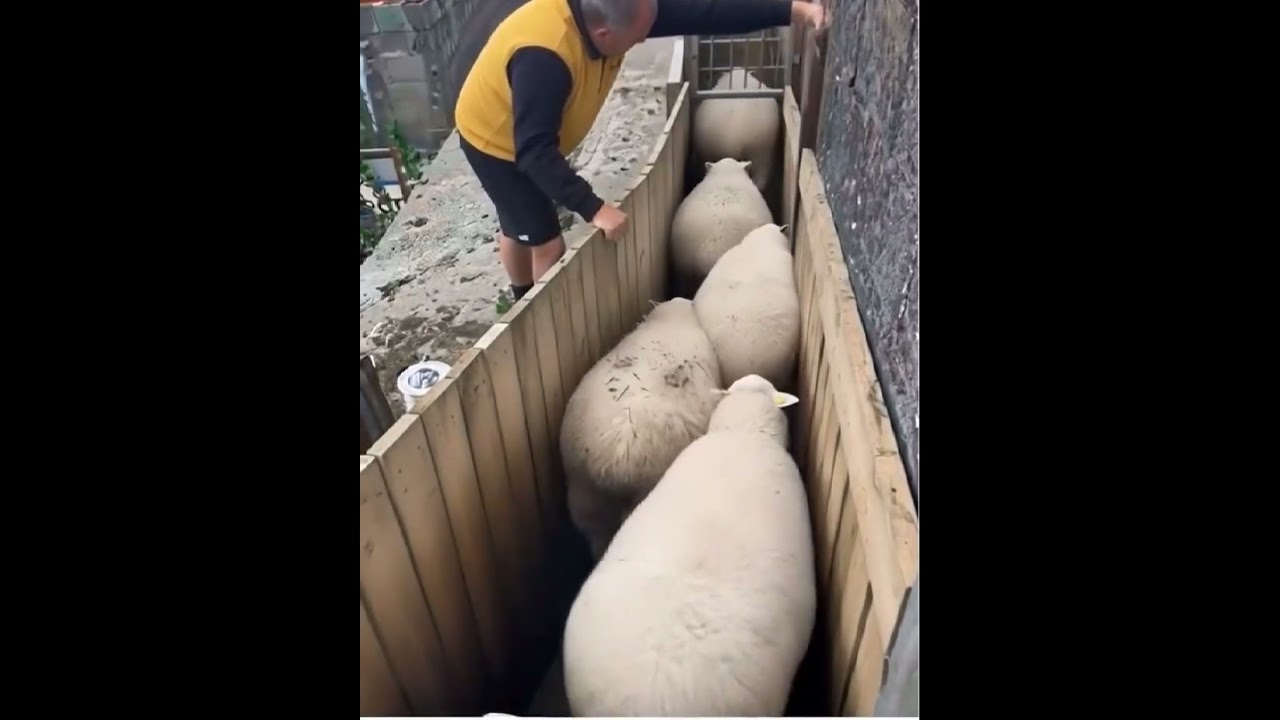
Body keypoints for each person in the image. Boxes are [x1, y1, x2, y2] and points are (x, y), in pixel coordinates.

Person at [455, 0, 828, 302]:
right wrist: (594, 208)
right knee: (546, 240)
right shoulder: (545, 58)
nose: (639, 42)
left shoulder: (625, 11)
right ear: (603, 33)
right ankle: (530, 311)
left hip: (526, 131)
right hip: (494, 141)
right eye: (635, 39)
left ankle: (519, 295)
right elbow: (534, 152)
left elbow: (707, 11)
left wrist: (791, 10)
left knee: (517, 222)